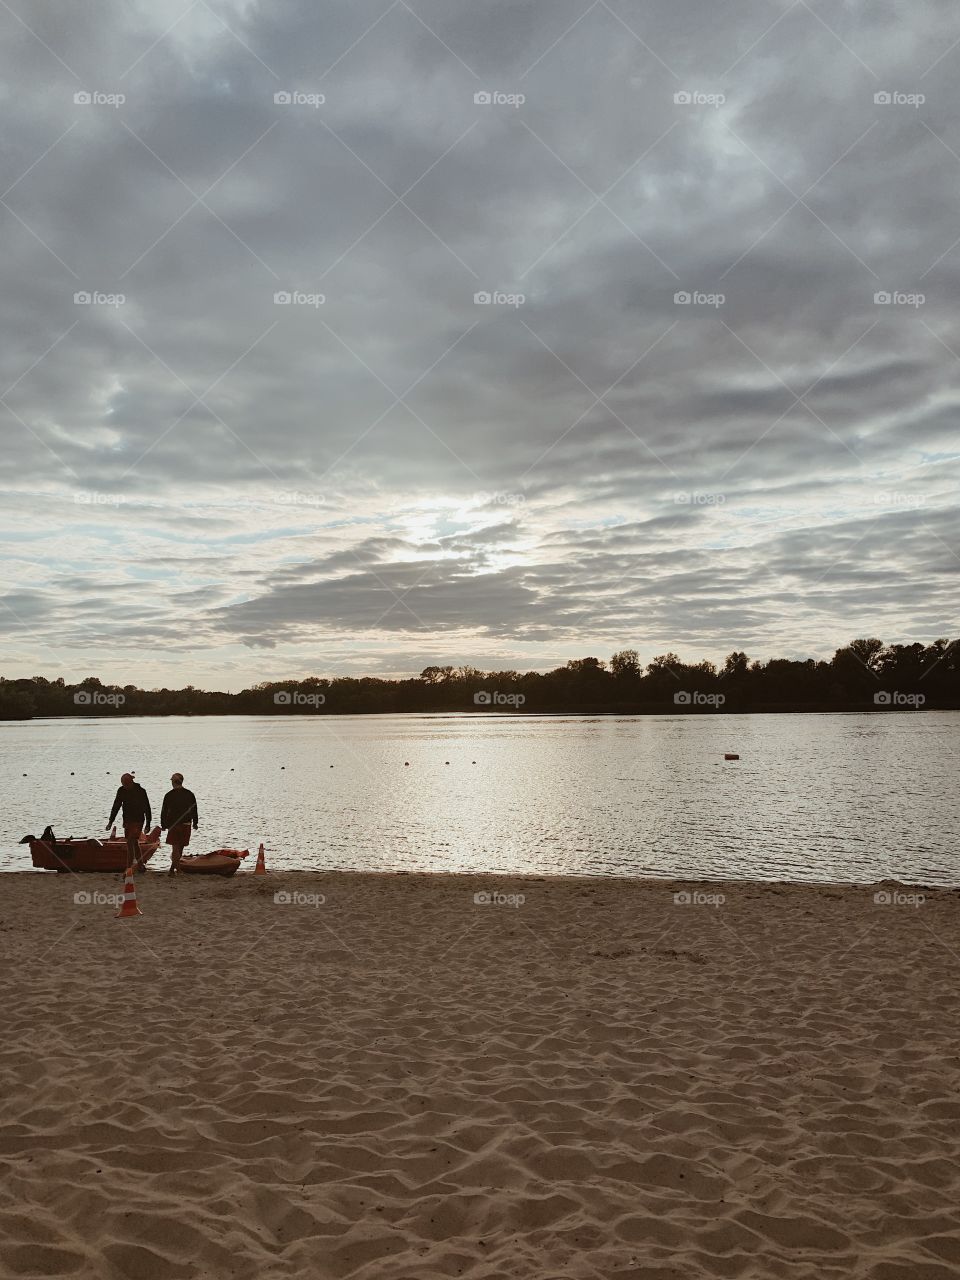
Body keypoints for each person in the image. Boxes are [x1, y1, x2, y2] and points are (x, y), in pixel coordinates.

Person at [107, 772, 152, 872]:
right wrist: (111, 821)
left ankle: (129, 867)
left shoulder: (141, 791)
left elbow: (147, 807)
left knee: (130, 841)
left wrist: (148, 823)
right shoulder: (121, 791)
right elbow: (116, 806)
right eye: (123, 784)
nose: (125, 786)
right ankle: (140, 865)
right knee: (134, 842)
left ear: (131, 782)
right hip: (127, 820)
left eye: (126, 784)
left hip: (138, 820)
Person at [160, 773, 199, 875]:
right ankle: (174, 870)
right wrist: (195, 822)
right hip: (186, 823)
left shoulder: (169, 795)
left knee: (175, 848)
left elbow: (164, 811)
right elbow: (194, 809)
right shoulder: (189, 794)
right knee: (180, 848)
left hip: (173, 824)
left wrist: (163, 824)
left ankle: (175, 870)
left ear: (173, 782)